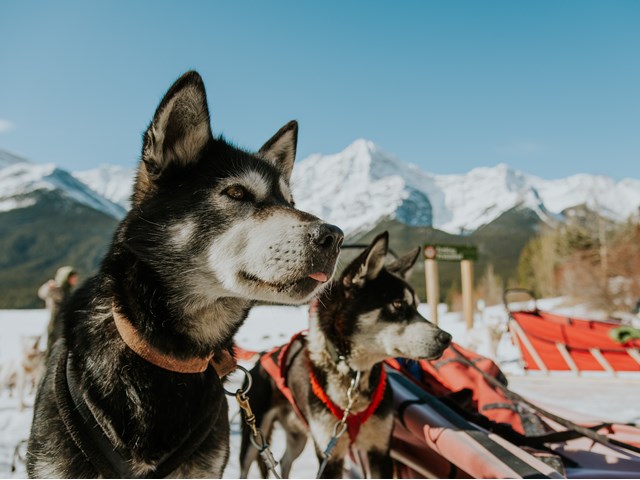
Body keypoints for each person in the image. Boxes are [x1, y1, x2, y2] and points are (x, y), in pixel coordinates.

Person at [37, 266, 78, 352]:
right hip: (54, 322)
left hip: (63, 323)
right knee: (52, 345)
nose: (75, 279)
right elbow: (42, 293)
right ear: (66, 278)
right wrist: (48, 287)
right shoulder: (56, 288)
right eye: (73, 277)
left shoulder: (68, 290)